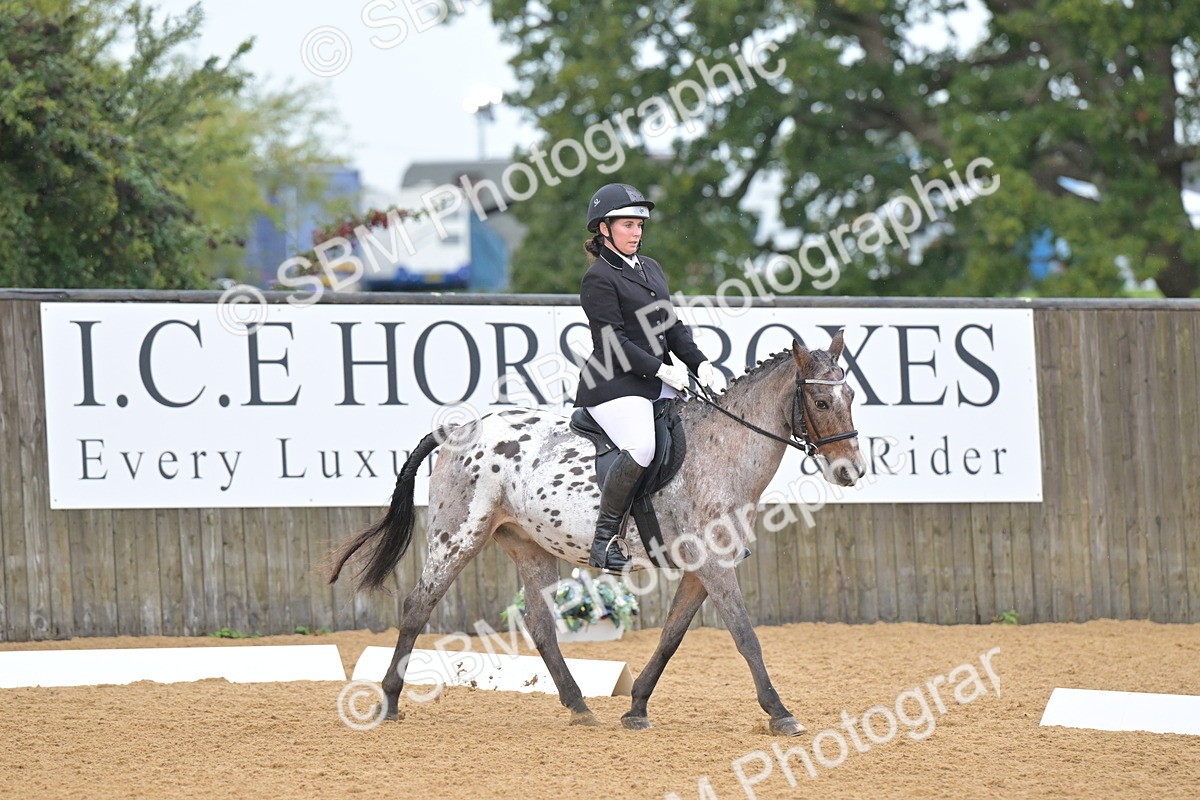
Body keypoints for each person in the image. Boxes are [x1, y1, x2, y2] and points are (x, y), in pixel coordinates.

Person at [574, 183, 727, 572]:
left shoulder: (651, 268)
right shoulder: (598, 279)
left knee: (702, 434)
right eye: (628, 225)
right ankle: (604, 541)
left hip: (656, 381)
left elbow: (670, 326)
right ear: (604, 229)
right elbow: (613, 343)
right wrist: (660, 369)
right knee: (642, 447)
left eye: (640, 225)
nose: (637, 232)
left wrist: (699, 363)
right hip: (614, 385)